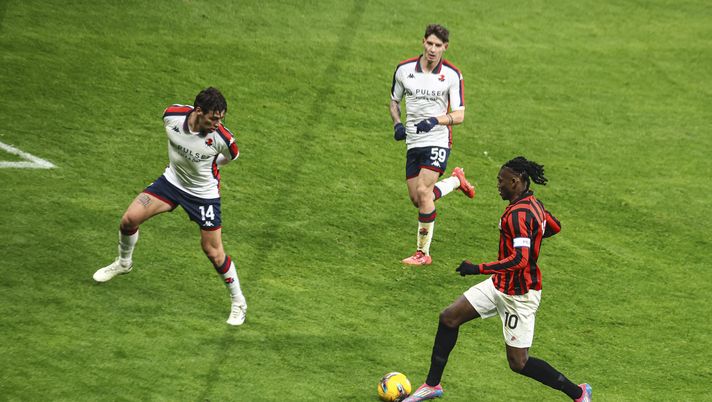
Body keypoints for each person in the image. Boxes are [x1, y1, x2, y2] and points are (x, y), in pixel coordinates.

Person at [404, 156, 592, 401]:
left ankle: (578, 393)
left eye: (500, 180)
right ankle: (432, 385)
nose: (498, 185)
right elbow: (553, 226)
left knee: (519, 363)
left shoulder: (518, 216)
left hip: (520, 296)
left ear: (515, 181)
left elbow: (520, 260)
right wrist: (533, 236)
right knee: (449, 318)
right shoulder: (533, 204)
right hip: (499, 286)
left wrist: (478, 268)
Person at [93, 87, 248, 326]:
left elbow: (232, 155)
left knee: (213, 252)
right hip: (171, 183)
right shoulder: (172, 116)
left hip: (203, 195)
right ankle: (124, 263)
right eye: (213, 118)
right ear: (198, 111)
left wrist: (211, 165)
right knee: (129, 220)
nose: (218, 123)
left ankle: (238, 302)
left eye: (222, 118)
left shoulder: (222, 138)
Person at [390, 24, 475, 266]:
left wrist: (435, 120)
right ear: (423, 42)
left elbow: (459, 115)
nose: (432, 49)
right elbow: (394, 101)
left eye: (438, 46)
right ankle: (457, 180)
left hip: (438, 139)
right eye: (429, 43)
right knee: (418, 199)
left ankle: (422, 254)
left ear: (445, 48)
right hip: (413, 142)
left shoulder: (451, 75)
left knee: (424, 192)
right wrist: (397, 123)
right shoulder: (404, 70)